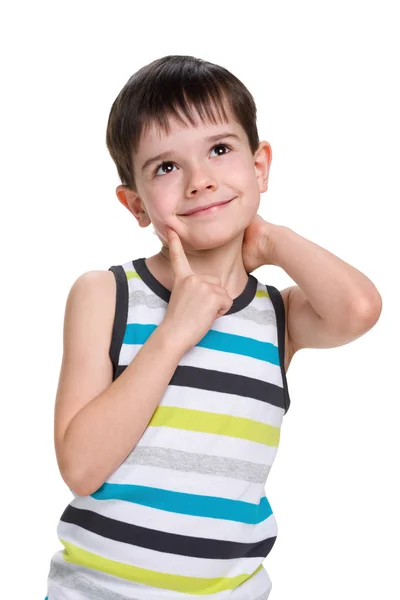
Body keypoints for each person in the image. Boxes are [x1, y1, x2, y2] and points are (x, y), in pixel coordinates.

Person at [44, 55, 382, 600]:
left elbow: (360, 309)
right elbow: (81, 467)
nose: (201, 181)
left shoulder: (277, 316)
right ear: (135, 204)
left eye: (220, 150)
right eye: (166, 167)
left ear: (260, 165)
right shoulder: (107, 294)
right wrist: (175, 330)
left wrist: (270, 240)